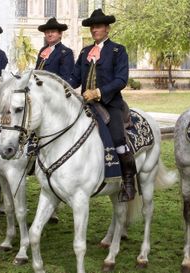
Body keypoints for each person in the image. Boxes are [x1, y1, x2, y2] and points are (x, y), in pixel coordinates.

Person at [68, 9, 135, 202]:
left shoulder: (118, 50)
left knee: (117, 138)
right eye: (92, 27)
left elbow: (121, 79)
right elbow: (74, 77)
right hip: (84, 104)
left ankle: (128, 181)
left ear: (107, 28)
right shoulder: (84, 51)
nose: (94, 30)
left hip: (109, 104)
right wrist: (62, 86)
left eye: (98, 26)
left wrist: (98, 92)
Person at [36, 18, 75, 84]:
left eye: (53, 31)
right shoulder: (42, 50)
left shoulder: (66, 52)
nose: (50, 34)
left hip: (54, 91)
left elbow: (65, 78)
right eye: (47, 32)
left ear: (60, 34)